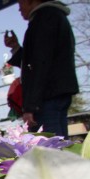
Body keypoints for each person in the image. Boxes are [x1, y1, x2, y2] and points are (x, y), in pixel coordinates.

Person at [4, 0, 79, 137]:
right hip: (55, 92)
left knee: (48, 148)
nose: (19, 10)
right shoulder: (55, 17)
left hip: (46, 96)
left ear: (31, 1)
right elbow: (36, 60)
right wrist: (15, 48)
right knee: (58, 142)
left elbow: (40, 64)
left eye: (21, 5)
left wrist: (31, 106)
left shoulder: (44, 19)